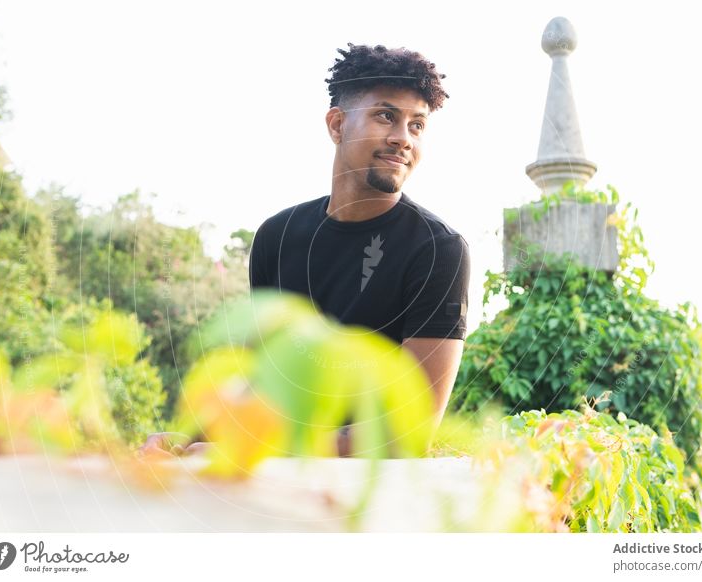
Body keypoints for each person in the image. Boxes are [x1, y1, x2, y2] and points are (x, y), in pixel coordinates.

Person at [139, 43, 470, 459]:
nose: (402, 138)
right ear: (336, 125)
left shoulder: (439, 249)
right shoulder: (277, 236)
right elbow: (254, 382)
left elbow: (406, 431)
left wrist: (261, 446)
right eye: (386, 115)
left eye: (417, 125)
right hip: (269, 485)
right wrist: (186, 436)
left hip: (364, 497)